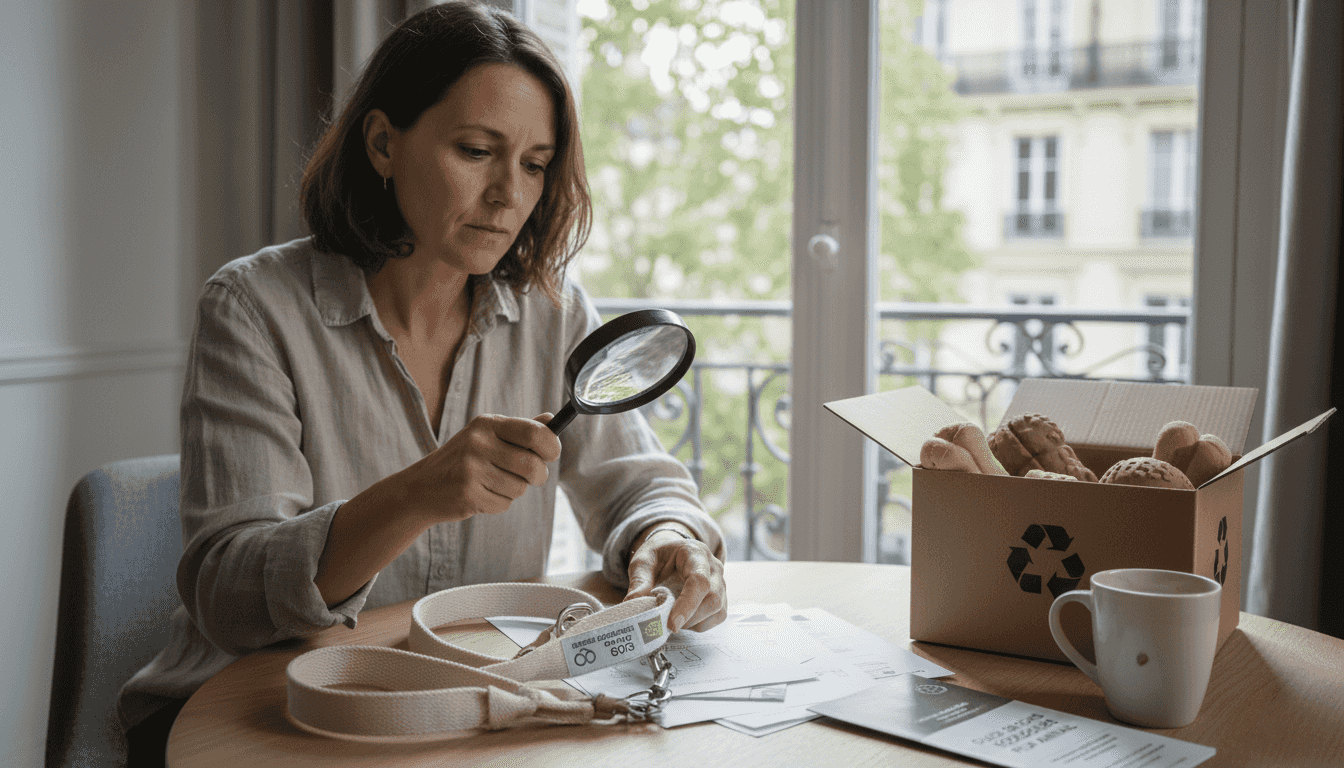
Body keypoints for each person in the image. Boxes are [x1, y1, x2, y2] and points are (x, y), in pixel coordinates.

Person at [118, 2, 727, 763]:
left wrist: (668, 536)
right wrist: (415, 494)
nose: (510, 194)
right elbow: (231, 598)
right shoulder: (253, 307)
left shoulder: (554, 312)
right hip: (254, 715)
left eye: (535, 164)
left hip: (457, 718)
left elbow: (641, 485)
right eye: (477, 150)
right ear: (383, 143)